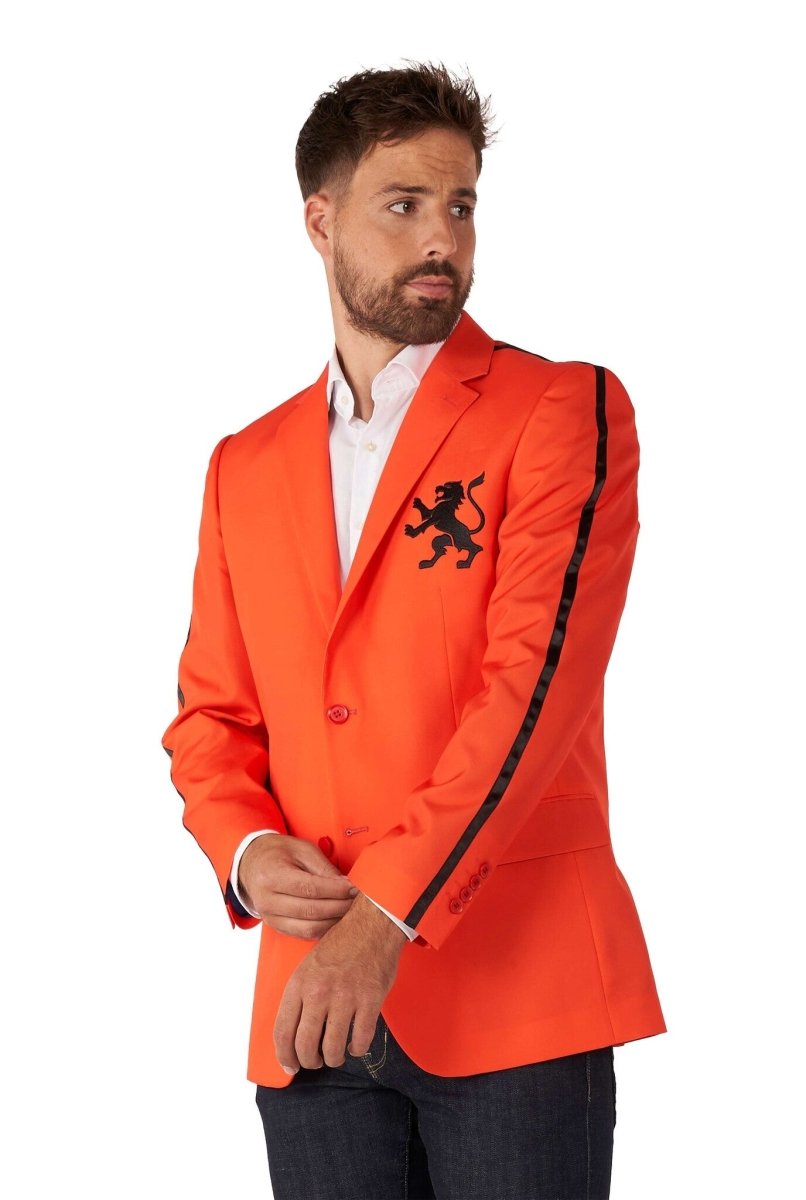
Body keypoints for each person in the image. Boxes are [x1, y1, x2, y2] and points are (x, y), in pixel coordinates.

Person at [162, 61, 666, 1200]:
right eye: (404, 205)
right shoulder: (243, 465)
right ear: (320, 221)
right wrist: (245, 854)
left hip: (516, 998)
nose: (443, 238)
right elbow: (210, 721)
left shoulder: (562, 410)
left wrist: (383, 916)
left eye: (462, 205)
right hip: (311, 1012)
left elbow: (531, 697)